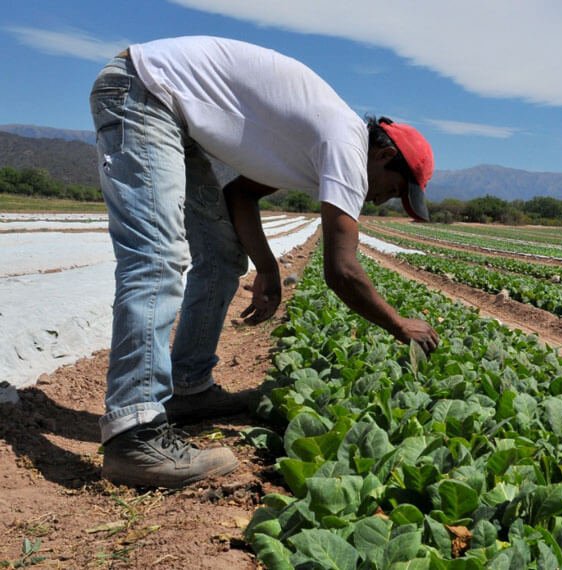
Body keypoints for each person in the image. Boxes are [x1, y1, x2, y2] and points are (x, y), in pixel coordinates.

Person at [89, 36, 439, 488]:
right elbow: (342, 271)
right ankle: (132, 434)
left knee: (218, 253)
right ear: (386, 154)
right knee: (157, 253)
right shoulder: (347, 144)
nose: (382, 199)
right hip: (142, 92)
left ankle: (189, 389)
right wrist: (399, 324)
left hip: (164, 103)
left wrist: (269, 269)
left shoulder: (321, 139)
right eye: (392, 190)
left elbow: (241, 194)